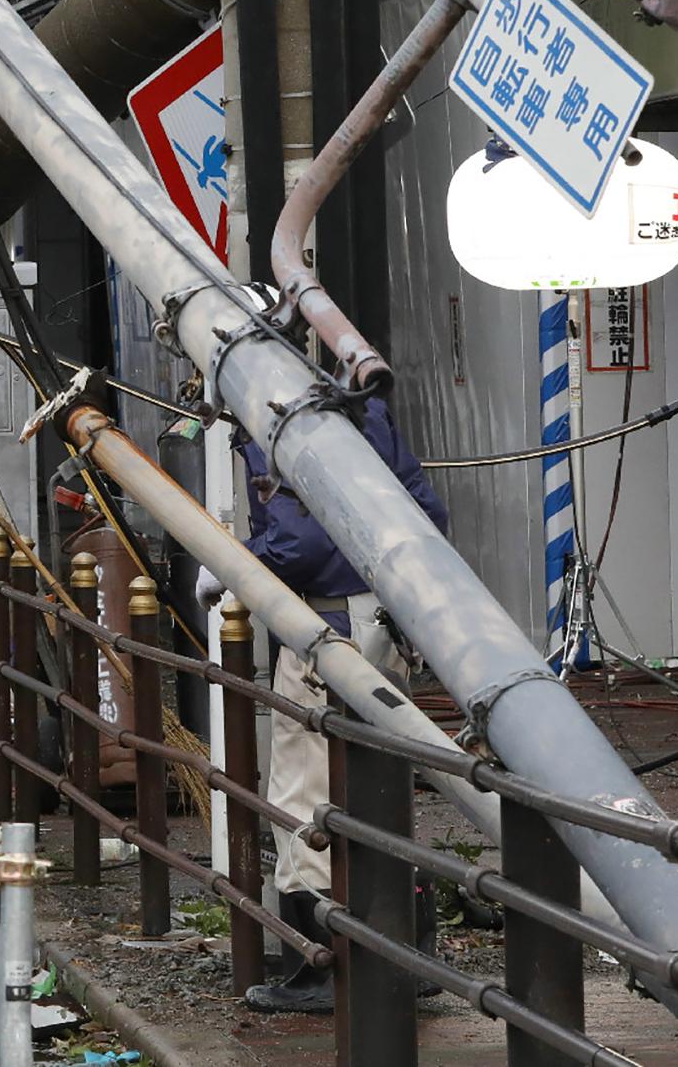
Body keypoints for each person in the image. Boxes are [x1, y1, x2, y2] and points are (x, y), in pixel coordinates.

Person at [196, 395, 449, 1015]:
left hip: (326, 629)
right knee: (381, 786)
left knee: (305, 794)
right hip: (385, 615)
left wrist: (237, 561)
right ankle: (408, 950)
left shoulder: (268, 415)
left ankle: (321, 967)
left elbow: (301, 540)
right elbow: (427, 509)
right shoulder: (364, 409)